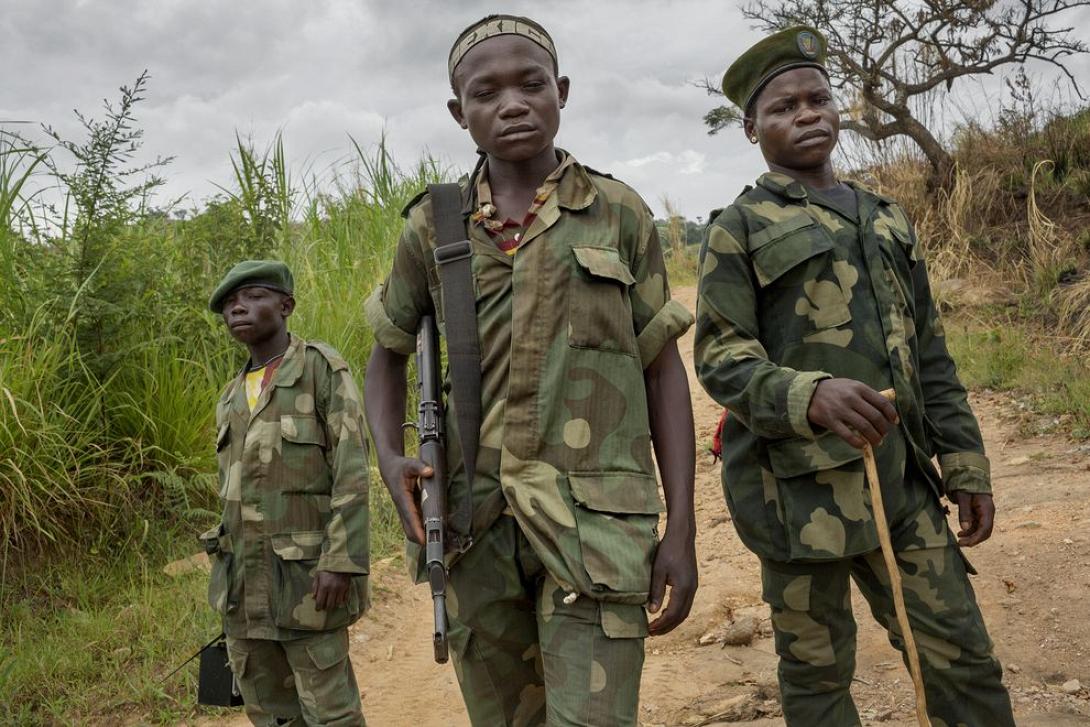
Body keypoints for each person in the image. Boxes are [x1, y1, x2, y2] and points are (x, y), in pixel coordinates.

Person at [363, 14, 698, 726]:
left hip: (596, 531)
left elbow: (664, 371)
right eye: (486, 92)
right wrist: (390, 458)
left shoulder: (619, 214)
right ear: (461, 113)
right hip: (474, 530)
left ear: (562, 92)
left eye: (531, 84)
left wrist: (683, 528)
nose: (512, 103)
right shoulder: (434, 226)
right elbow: (387, 352)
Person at [693, 26, 1016, 727]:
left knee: (960, 656)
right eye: (784, 106)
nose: (807, 113)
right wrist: (809, 394)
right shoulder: (738, 228)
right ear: (752, 128)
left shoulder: (887, 217)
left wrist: (965, 464)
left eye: (819, 97)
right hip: (793, 501)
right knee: (816, 680)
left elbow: (931, 354)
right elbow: (721, 356)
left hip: (900, 484)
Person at [202, 259, 370, 727]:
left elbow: (353, 470)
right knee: (270, 714)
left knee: (330, 713)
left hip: (307, 581)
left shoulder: (319, 369)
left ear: (286, 305)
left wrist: (341, 561)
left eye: (253, 296)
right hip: (243, 587)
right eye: (230, 304)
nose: (239, 308)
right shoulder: (230, 395)